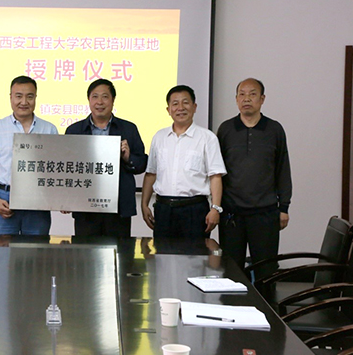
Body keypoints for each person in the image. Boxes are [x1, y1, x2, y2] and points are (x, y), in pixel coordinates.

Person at [217, 78, 292, 278]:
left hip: (265, 213)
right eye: (242, 94)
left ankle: (266, 300)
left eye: (252, 94)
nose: (246, 99)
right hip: (231, 214)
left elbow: (283, 169)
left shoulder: (274, 129)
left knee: (266, 272)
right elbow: (217, 172)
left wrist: (284, 207)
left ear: (262, 99)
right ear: (236, 99)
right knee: (231, 272)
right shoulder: (225, 129)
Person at [65, 79, 147, 237]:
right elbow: (66, 168)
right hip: (85, 209)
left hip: (118, 208)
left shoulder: (128, 129)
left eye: (105, 97)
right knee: (84, 252)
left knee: (120, 252)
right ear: (89, 100)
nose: (100, 102)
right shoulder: (74, 130)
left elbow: (142, 164)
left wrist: (128, 157)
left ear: (113, 100)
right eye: (95, 96)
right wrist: (66, 199)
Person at [141, 85, 226, 239]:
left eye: (185, 102)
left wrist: (215, 208)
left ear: (194, 107)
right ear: (168, 110)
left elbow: (215, 176)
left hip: (195, 210)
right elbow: (151, 173)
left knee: (196, 254)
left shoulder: (207, 138)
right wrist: (144, 204)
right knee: (162, 253)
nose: (180, 108)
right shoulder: (159, 137)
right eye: (175, 103)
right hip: (163, 209)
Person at [0, 75, 58, 235]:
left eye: (30, 96)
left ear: (36, 97)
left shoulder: (49, 129)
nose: (24, 102)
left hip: (38, 201)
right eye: (19, 96)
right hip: (4, 198)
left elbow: (57, 169)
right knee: (2, 249)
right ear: (10, 97)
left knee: (37, 249)